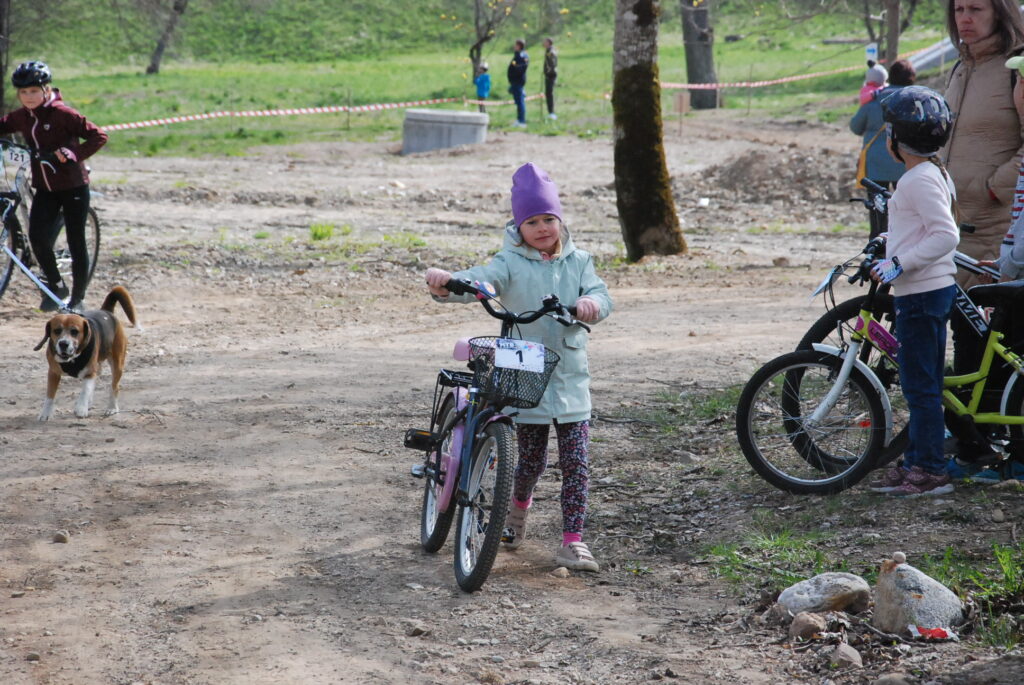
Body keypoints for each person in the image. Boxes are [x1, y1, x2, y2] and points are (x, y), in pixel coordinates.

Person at [424, 162, 613, 570]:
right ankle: (517, 510)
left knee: (576, 463)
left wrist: (591, 304)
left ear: (560, 219)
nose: (543, 228)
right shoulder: (509, 261)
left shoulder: (580, 261)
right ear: (518, 226)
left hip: (570, 378)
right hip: (525, 377)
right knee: (528, 462)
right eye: (532, 222)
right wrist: (450, 283)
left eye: (549, 219)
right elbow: (484, 280)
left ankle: (573, 541)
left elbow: (601, 295)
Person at [867, 86, 959, 497]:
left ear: (897, 139)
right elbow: (921, 229)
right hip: (924, 292)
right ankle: (916, 461)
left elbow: (945, 235)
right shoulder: (930, 173)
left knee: (921, 387)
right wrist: (892, 241)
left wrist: (899, 263)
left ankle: (931, 470)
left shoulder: (917, 180)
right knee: (921, 383)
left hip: (921, 294)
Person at [942, 0, 1024, 396]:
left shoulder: (1014, 69)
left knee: (991, 341)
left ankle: (990, 424)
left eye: (976, 9)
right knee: (963, 333)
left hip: (995, 226)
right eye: (959, 9)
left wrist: (994, 186)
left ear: (1000, 13)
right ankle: (966, 422)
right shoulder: (959, 67)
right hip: (952, 224)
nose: (965, 19)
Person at [0, 61, 107, 312]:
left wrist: (73, 154)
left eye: (34, 91)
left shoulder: (63, 114)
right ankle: (57, 286)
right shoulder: (23, 116)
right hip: (45, 189)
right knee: (38, 238)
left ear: (46, 90)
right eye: (23, 92)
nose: (29, 97)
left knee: (76, 240)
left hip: (73, 187)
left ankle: (78, 299)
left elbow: (99, 136)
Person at [850, 59, 917, 238]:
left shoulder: (874, 100)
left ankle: (877, 245)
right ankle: (904, 241)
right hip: (905, 162)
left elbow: (855, 127)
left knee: (877, 210)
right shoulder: (915, 101)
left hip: (875, 165)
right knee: (906, 209)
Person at [507, 39, 529, 127]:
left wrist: (514, 74)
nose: (514, 46)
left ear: (519, 46)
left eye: (516, 45)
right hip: (514, 81)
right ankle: (519, 119)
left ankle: (521, 121)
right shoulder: (517, 55)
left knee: (520, 102)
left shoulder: (522, 55)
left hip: (518, 81)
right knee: (517, 100)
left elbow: (521, 68)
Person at [543, 37, 558, 120]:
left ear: (548, 43)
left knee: (549, 94)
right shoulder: (548, 51)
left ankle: (552, 113)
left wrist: (548, 72)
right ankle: (550, 112)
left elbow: (552, 64)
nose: (543, 43)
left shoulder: (551, 52)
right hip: (549, 75)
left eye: (545, 42)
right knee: (548, 93)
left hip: (550, 75)